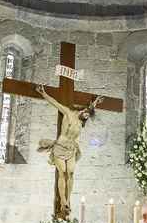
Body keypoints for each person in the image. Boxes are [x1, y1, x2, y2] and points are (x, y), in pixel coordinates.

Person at [35, 88, 103, 216]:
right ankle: (62, 201)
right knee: (63, 172)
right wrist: (43, 93)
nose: (86, 117)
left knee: (71, 173)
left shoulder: (80, 122)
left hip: (71, 149)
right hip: (60, 147)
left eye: (88, 116)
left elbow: (90, 109)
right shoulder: (68, 113)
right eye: (86, 114)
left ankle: (68, 200)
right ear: (82, 110)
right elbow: (55, 103)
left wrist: (95, 103)